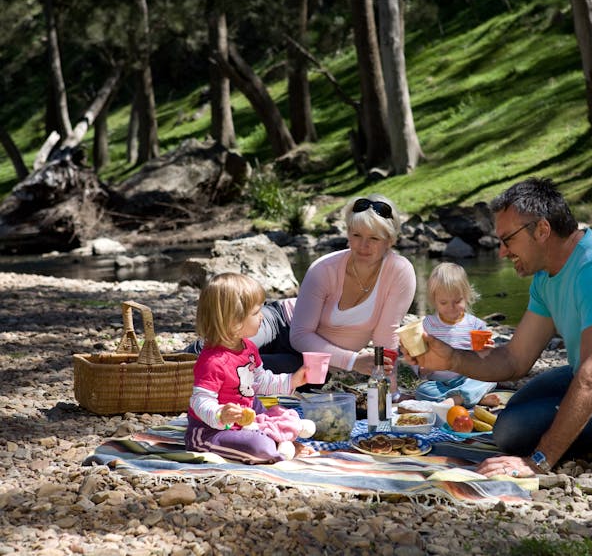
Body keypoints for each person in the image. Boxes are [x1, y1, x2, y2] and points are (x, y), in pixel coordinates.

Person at [403, 177, 592, 478]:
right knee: (511, 418)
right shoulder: (547, 276)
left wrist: (538, 460)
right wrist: (451, 358)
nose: (501, 252)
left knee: (512, 432)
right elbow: (514, 359)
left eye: (507, 239)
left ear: (542, 230)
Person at [187, 193, 416, 378]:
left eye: (374, 238)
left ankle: (184, 376)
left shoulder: (400, 273)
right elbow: (300, 335)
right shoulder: (324, 268)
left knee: (239, 369)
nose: (364, 245)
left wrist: (390, 397)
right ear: (347, 234)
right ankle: (165, 367)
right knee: (223, 343)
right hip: (280, 323)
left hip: (316, 360)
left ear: (390, 240)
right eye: (356, 235)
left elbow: (386, 339)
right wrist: (353, 361)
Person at [185, 273, 316, 464]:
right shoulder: (212, 361)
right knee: (258, 447)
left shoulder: (248, 347)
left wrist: (292, 380)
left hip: (247, 416)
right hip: (212, 429)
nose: (262, 317)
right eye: (255, 313)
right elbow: (200, 401)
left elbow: (260, 381)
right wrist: (221, 414)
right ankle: (278, 444)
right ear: (233, 321)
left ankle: (278, 438)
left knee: (281, 412)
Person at [412, 262, 499, 408]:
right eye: (444, 303)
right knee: (422, 390)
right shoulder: (427, 325)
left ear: (466, 295)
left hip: (467, 378)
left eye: (457, 301)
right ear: (434, 301)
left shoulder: (476, 325)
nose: (451, 308)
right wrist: (423, 367)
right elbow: (418, 363)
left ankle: (454, 401)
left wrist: (487, 353)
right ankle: (472, 398)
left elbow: (485, 362)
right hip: (439, 383)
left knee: (490, 378)